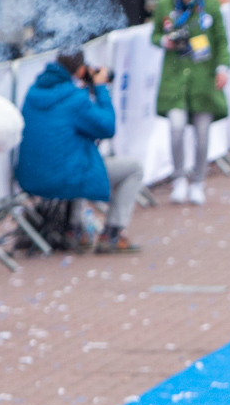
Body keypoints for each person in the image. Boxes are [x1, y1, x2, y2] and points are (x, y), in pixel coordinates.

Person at [15, 47, 143, 254]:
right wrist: (100, 88)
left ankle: (75, 228)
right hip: (64, 177)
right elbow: (107, 127)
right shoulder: (75, 99)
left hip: (29, 177)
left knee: (73, 158)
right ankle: (112, 232)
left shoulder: (32, 93)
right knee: (133, 169)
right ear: (80, 69)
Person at [152, 0, 229, 206]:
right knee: (175, 129)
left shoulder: (210, 5)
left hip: (202, 79)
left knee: (203, 135)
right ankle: (178, 179)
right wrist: (166, 41)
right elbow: (154, 35)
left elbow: (221, 41)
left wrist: (222, 67)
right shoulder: (164, 4)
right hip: (175, 77)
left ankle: (198, 182)